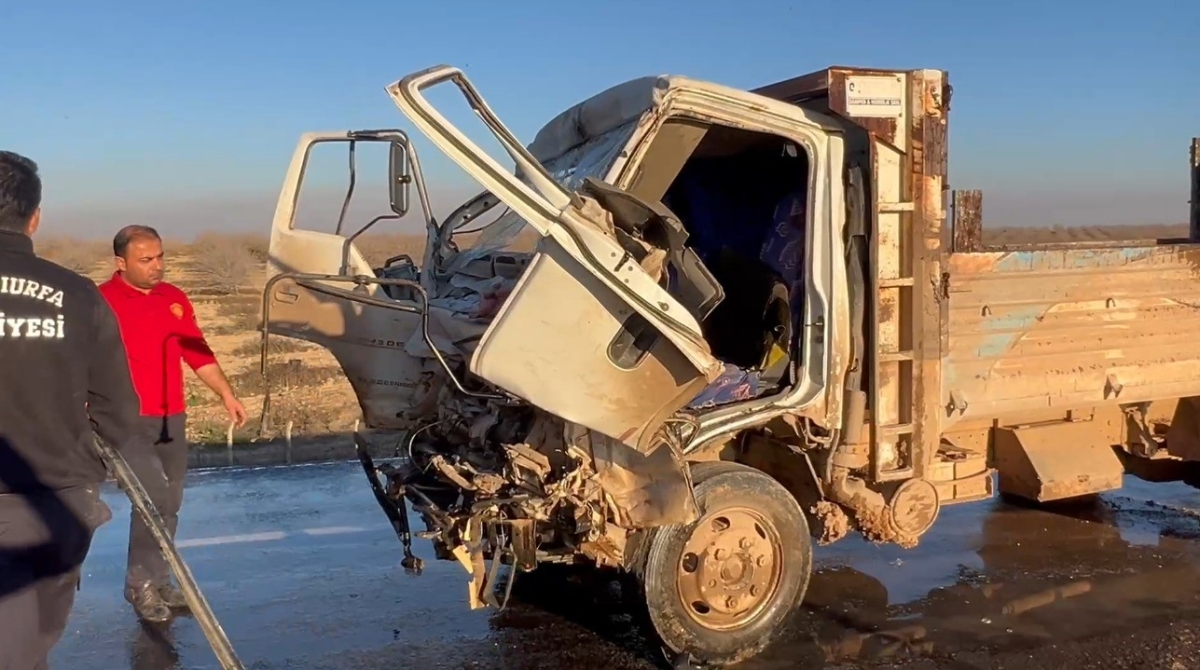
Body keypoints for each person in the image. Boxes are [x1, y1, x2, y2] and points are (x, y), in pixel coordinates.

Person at [0, 150, 144, 667]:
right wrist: (88, 470)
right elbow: (120, 409)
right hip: (56, 502)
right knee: (27, 644)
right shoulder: (78, 295)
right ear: (34, 217)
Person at [98, 224, 248, 622]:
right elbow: (77, 362)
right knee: (152, 500)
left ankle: (160, 578)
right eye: (145, 260)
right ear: (121, 262)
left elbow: (197, 351)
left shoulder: (174, 299)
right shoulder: (100, 302)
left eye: (160, 256)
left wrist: (226, 393)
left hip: (171, 417)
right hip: (124, 421)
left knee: (171, 502)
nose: (157, 266)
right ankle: (139, 587)